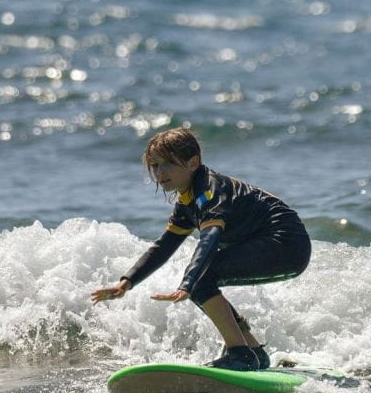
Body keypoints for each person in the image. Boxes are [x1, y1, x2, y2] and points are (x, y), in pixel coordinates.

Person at [90, 127, 311, 371]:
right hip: (278, 246)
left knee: (200, 279)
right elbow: (164, 246)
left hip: (286, 244)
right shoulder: (187, 201)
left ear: (193, 163)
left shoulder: (210, 191)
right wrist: (127, 282)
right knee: (201, 280)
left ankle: (240, 354)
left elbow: (210, 238)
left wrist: (187, 285)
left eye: (167, 164)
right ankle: (253, 350)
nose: (159, 172)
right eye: (154, 165)